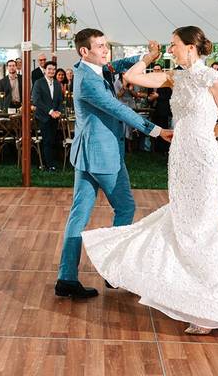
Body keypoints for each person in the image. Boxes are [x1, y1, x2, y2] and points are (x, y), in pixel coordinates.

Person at [84, 25, 218, 335]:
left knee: (205, 228)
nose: (170, 50)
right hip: (179, 161)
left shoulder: (213, 78)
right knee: (183, 225)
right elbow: (131, 78)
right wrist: (149, 56)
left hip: (203, 161)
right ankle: (191, 296)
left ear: (190, 47)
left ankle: (212, 306)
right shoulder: (175, 77)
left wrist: (199, 137)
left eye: (173, 45)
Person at [54, 29, 171, 300]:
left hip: (86, 154)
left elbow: (117, 66)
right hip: (102, 155)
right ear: (84, 51)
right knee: (125, 206)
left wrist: (147, 56)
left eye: (106, 45)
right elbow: (120, 109)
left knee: (78, 216)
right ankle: (113, 272)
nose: (106, 50)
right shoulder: (88, 82)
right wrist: (156, 130)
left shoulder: (93, 68)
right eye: (100, 46)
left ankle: (66, 278)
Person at [31, 61, 64, 171]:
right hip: (43, 116)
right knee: (47, 140)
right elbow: (36, 100)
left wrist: (59, 111)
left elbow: (60, 100)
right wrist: (50, 111)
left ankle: (47, 163)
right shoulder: (38, 83)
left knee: (52, 140)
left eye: (53, 69)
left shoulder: (57, 84)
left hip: (55, 117)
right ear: (45, 70)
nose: (51, 71)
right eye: (49, 69)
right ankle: (50, 165)